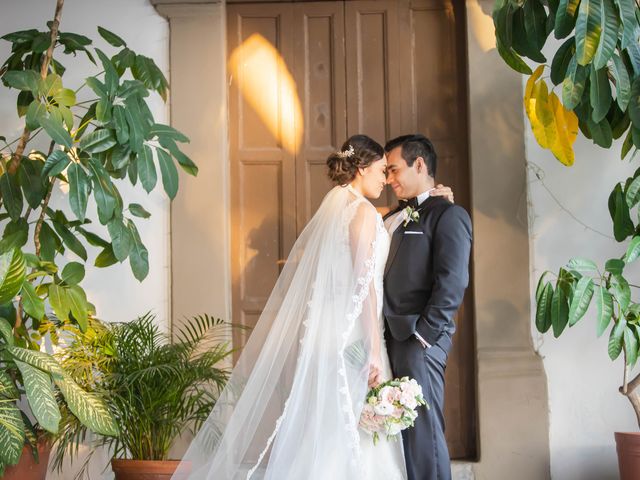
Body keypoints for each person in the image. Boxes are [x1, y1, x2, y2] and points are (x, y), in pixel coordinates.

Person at [172, 135, 453, 480]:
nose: (386, 180)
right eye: (382, 170)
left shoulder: (344, 206)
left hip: (334, 331)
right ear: (362, 169)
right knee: (352, 422)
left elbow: (390, 223)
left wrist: (433, 200)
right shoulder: (363, 213)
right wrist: (374, 352)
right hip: (356, 332)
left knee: (334, 421)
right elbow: (364, 289)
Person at [383, 134, 472, 480]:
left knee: (424, 436)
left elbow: (452, 282)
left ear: (419, 165)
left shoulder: (449, 215)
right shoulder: (394, 215)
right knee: (398, 435)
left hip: (418, 340)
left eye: (394, 170)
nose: (389, 179)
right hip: (387, 338)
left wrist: (424, 335)